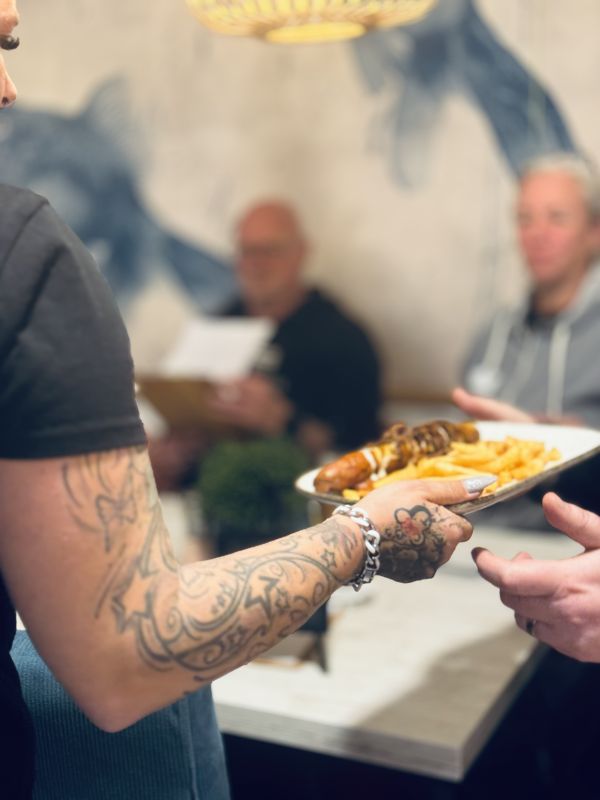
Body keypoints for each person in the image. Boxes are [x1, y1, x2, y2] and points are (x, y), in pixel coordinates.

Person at [0, 6, 488, 797]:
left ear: (299, 254)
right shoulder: (27, 254)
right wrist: (362, 536)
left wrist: (282, 425)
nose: (11, 89)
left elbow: (360, 442)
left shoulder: (338, 336)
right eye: (2, 43)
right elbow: (127, 653)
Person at [460, 152, 600, 526]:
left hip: (573, 540)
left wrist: (546, 439)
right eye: (525, 218)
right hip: (477, 533)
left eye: (557, 217)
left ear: (593, 232)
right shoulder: (493, 335)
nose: (538, 234)